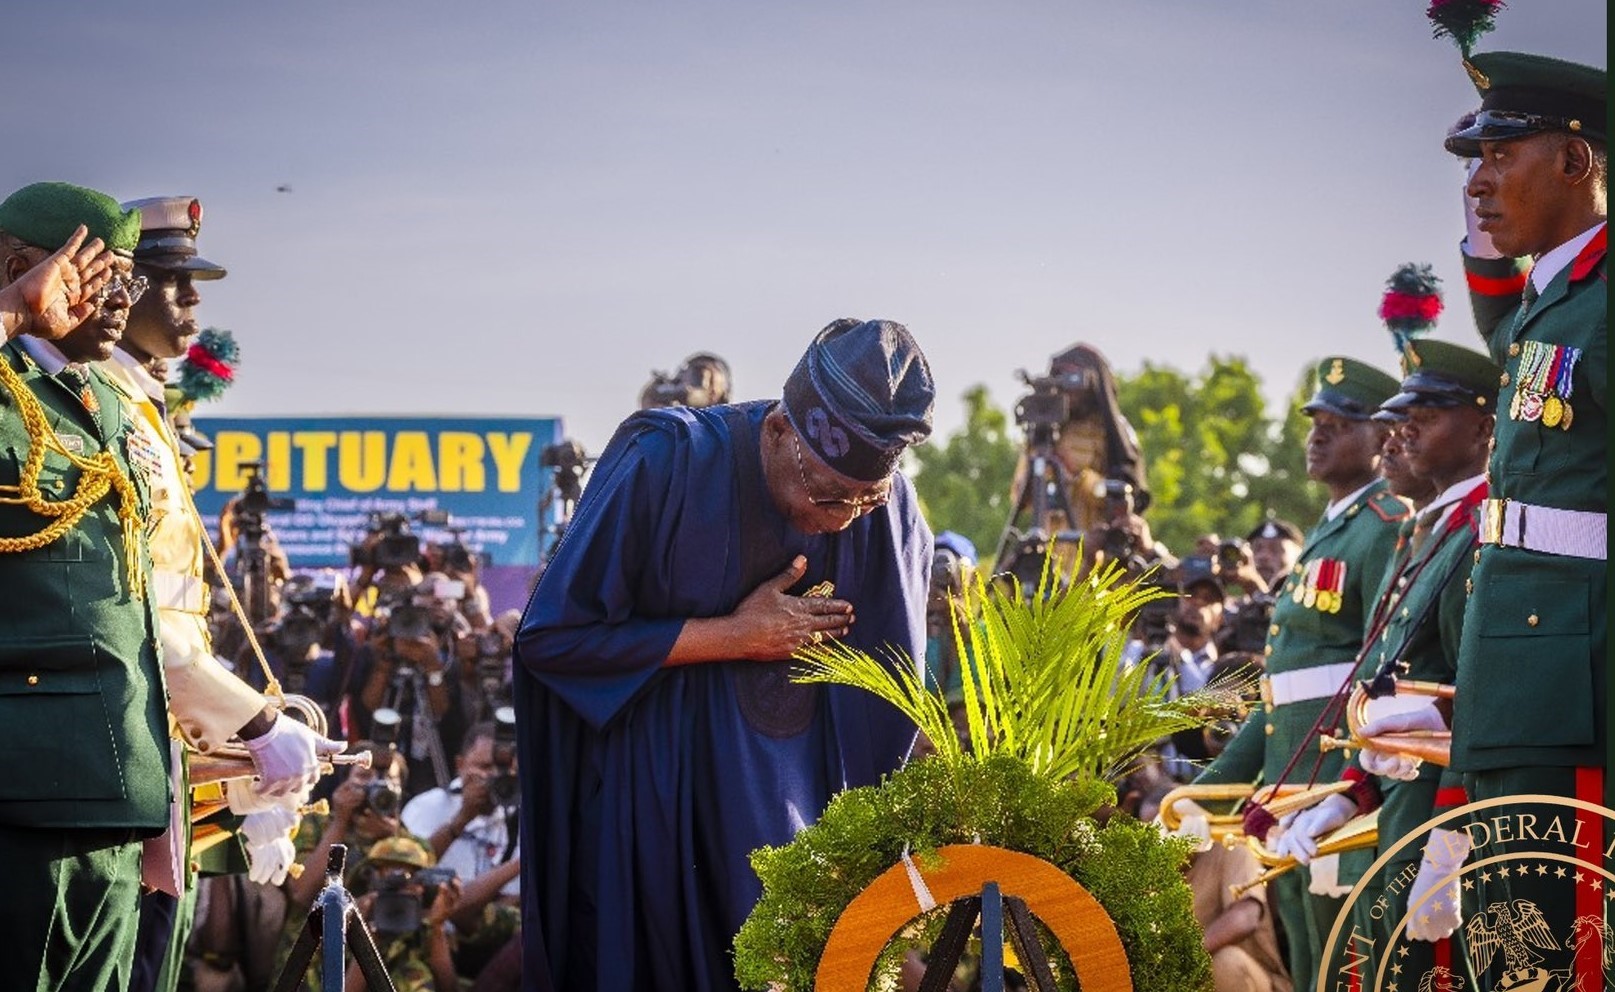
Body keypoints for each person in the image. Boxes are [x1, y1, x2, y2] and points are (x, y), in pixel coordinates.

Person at [515, 317, 935, 991]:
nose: (840, 519)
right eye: (827, 496)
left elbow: (888, 707)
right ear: (779, 429)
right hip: (661, 821)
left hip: (804, 825)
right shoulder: (665, 462)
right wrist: (734, 637)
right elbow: (553, 637)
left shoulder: (886, 512)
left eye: (864, 502)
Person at [0, 181, 330, 992]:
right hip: (33, 781)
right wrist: (8, 313)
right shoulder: (17, 390)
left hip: (128, 772)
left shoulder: (100, 406)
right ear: (21, 269)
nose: (124, 296)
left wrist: (233, 748)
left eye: (130, 278)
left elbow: (140, 611)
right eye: (102, 275)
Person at [100, 193, 344, 992]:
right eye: (169, 281)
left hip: (157, 751)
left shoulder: (145, 407)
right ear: (118, 286)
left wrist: (241, 765)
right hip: (113, 754)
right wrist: (255, 723)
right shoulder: (104, 410)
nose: (192, 300)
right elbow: (134, 614)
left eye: (193, 283)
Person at [1273, 340, 1498, 975]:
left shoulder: (1479, 529)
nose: (1404, 431)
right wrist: (1348, 796)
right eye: (1402, 416)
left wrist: (1451, 839)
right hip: (1399, 799)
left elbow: (1470, 699)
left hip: (1439, 810)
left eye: (1426, 415)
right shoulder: (1439, 529)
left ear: (1483, 429)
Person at [1190, 356, 1410, 987]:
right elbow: (1279, 697)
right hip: (1293, 797)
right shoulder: (1330, 531)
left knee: (1349, 968)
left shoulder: (1385, 527)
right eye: (1315, 423)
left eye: (1336, 426)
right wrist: (1205, 791)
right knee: (1312, 968)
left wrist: (1346, 791)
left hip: (1337, 797)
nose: (1316, 436)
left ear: (1381, 436)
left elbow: (1385, 674)